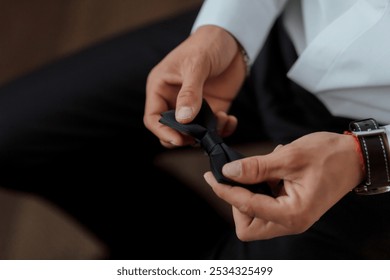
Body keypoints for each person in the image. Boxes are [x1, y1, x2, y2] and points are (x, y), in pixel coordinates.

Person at [1, 0, 390, 259]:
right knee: (10, 135)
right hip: (273, 30)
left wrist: (370, 155)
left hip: (376, 158)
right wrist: (222, 28)